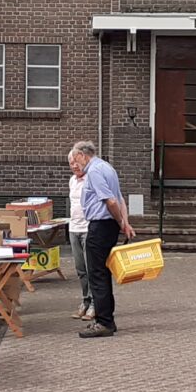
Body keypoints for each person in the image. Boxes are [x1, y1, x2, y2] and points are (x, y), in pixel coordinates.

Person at [70, 140, 137, 338]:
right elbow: (119, 197)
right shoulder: (108, 167)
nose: (75, 163)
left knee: (97, 274)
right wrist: (124, 222)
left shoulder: (95, 171)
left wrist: (120, 220)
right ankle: (107, 319)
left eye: (76, 158)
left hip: (100, 225)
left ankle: (104, 322)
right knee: (103, 273)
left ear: (83, 155)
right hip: (108, 225)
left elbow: (111, 200)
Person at [67, 160, 94, 322]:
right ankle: (85, 301)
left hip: (88, 228)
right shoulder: (72, 180)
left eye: (77, 162)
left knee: (91, 268)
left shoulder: (91, 179)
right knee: (80, 269)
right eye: (71, 163)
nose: (74, 166)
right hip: (73, 229)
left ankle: (94, 304)